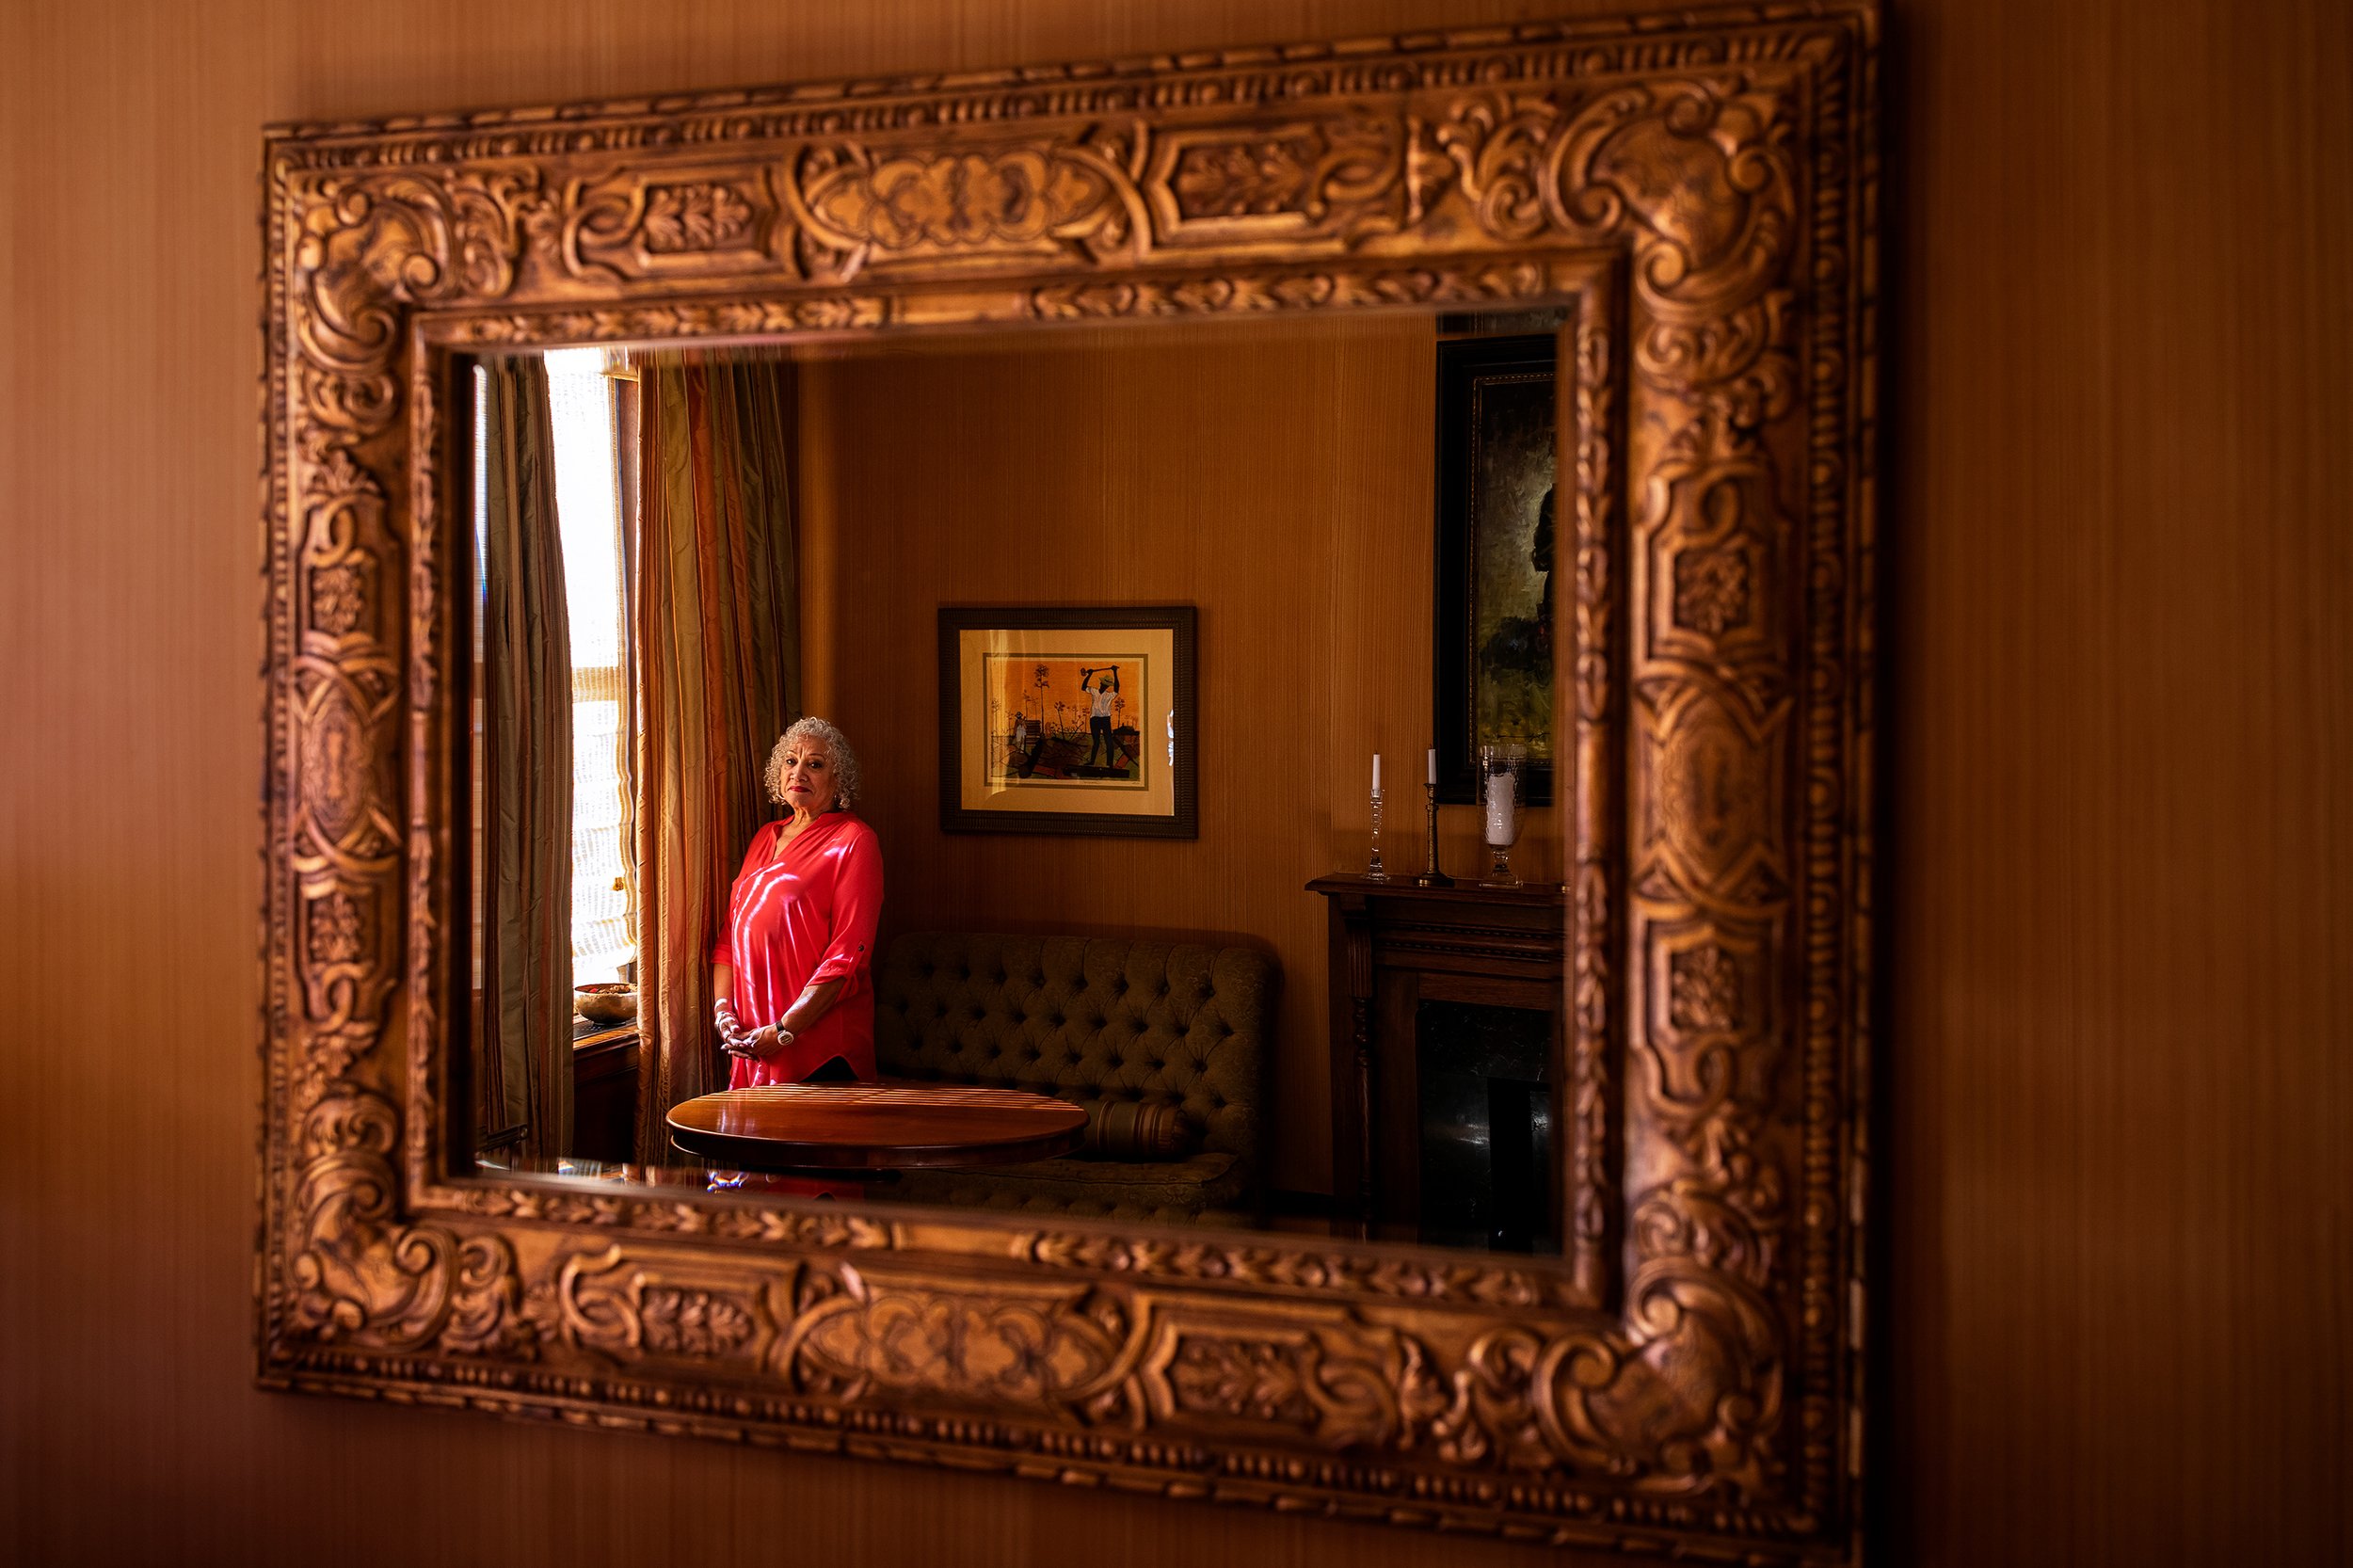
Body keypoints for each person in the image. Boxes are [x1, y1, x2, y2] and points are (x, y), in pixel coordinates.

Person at [710, 717, 884, 1087]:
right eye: (790, 761)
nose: (798, 772)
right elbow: (728, 942)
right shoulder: (764, 837)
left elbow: (848, 957)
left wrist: (784, 1031)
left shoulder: (854, 840)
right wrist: (724, 1013)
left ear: (839, 781)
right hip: (753, 1039)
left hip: (816, 1046)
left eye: (815, 764)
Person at [1080, 666, 1120, 771]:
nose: (1104, 685)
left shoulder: (1109, 695)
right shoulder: (1094, 691)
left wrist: (1115, 672)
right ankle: (1092, 762)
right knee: (1096, 741)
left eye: (1106, 685)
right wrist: (1089, 675)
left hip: (1105, 720)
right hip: (1094, 720)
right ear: (1101, 684)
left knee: (1108, 741)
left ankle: (1110, 764)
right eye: (1103, 683)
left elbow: (1117, 688)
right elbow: (1083, 687)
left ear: (1107, 686)